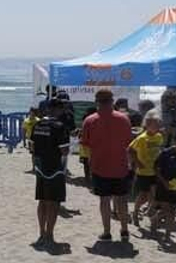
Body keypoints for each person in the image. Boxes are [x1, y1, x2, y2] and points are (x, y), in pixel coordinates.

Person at [82, 89, 133, 242]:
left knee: (104, 201)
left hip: (99, 166)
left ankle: (107, 232)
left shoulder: (90, 121)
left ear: (97, 101)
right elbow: (129, 143)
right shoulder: (124, 119)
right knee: (122, 200)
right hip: (120, 166)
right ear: (112, 101)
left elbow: (85, 146)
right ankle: (124, 230)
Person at [30, 98, 72, 248]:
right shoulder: (59, 126)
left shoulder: (38, 124)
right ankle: (50, 234)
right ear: (58, 109)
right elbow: (64, 150)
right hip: (55, 167)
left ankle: (41, 233)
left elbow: (32, 147)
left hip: (40, 166)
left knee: (42, 200)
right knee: (53, 202)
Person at [128, 110, 166, 220]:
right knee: (143, 194)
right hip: (143, 171)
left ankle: (150, 211)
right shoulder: (142, 138)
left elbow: (160, 150)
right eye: (155, 124)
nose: (158, 126)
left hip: (155, 170)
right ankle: (135, 211)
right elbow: (130, 150)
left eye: (159, 124)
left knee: (154, 193)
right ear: (148, 125)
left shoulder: (159, 136)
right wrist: (137, 162)